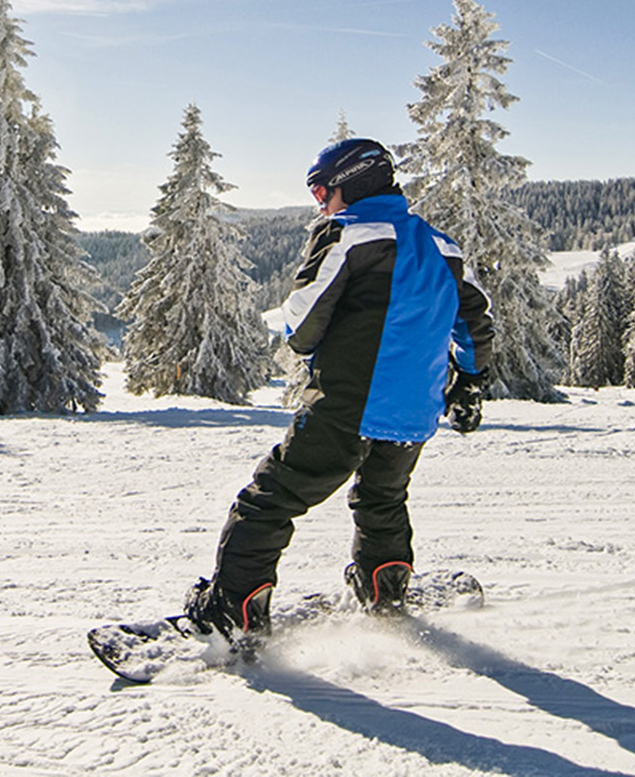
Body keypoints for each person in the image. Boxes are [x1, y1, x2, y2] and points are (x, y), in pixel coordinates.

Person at [184, 137, 495, 643]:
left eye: (321, 190)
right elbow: (476, 324)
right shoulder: (444, 247)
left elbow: (302, 327)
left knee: (269, 499)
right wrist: (469, 384)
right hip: (416, 413)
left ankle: (232, 612)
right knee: (383, 498)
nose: (319, 203)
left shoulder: (347, 235)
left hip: (350, 404)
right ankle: (384, 588)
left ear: (349, 184)